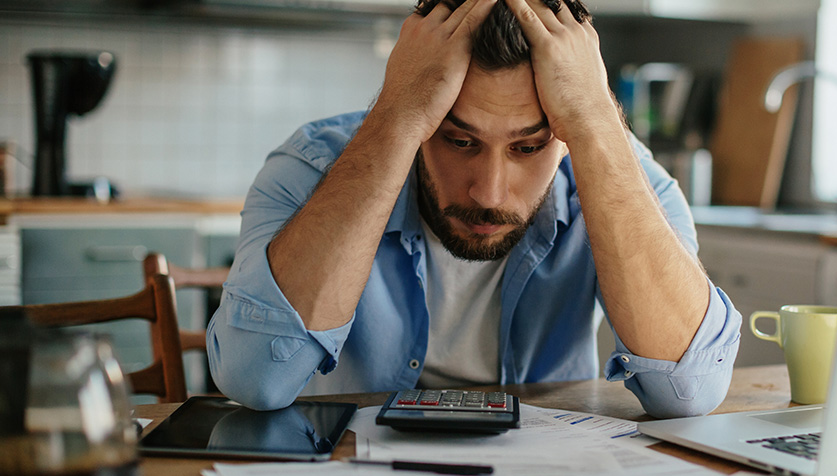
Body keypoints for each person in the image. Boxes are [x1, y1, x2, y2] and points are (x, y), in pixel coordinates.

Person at [207, 0, 742, 418]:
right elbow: (257, 379)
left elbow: (689, 391)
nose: (489, 193)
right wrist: (396, 115)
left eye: (528, 147)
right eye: (459, 141)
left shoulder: (624, 179)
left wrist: (596, 119)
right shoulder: (312, 167)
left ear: (564, 134)